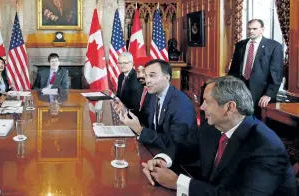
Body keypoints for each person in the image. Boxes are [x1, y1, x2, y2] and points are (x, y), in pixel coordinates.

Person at [142, 76, 297, 195]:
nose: (201, 107)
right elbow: (184, 146)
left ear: (230, 108)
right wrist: (161, 160)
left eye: (207, 102)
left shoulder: (265, 147)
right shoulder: (212, 127)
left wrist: (177, 182)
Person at [119, 59, 196, 149]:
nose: (147, 80)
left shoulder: (181, 104)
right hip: (155, 148)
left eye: (152, 76)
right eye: (146, 76)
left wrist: (140, 130)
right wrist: (125, 111)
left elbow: (175, 142)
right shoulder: (153, 94)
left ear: (167, 78)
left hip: (175, 157)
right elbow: (145, 117)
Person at [228, 19, 283, 117]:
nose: (251, 31)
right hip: (240, 91)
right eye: (249, 29)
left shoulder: (274, 46)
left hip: (261, 95)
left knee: (257, 122)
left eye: (254, 29)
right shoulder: (240, 45)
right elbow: (233, 70)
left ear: (262, 29)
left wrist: (269, 94)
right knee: (240, 119)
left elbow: (276, 74)